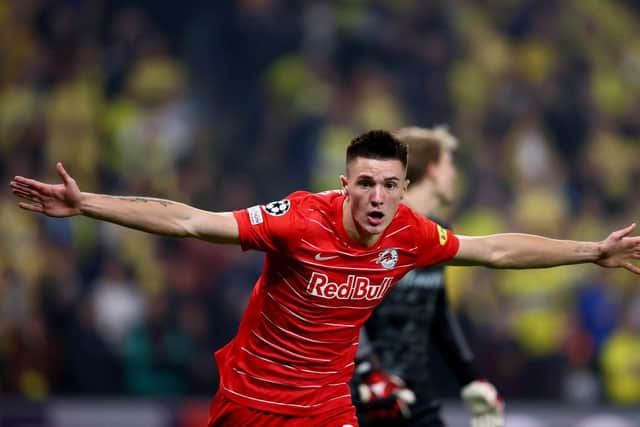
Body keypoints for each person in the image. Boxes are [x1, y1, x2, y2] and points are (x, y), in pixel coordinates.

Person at [9, 130, 640, 427]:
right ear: (344, 184)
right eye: (364, 182)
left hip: (329, 408)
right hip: (251, 404)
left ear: (402, 190)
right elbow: (191, 223)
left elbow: (495, 251)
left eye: (390, 185)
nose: (377, 196)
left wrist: (591, 251)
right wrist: (86, 203)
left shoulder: (408, 233)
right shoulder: (297, 219)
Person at [352, 126, 503, 427]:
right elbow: (344, 307)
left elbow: (438, 313)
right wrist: (368, 372)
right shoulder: (374, 225)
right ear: (433, 170)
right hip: (366, 399)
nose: (455, 175)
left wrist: (471, 378)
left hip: (416, 399)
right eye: (450, 165)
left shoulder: (436, 234)